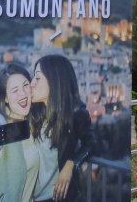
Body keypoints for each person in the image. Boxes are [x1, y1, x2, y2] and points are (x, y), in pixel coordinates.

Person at [29, 55, 93, 202]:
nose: (32, 83)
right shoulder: (32, 113)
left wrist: (71, 164)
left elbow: (91, 143)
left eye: (37, 78)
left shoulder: (76, 114)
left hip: (57, 197)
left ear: (54, 80)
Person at [0, 63, 39, 202]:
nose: (22, 94)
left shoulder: (32, 123)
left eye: (25, 85)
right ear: (5, 98)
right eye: (15, 90)